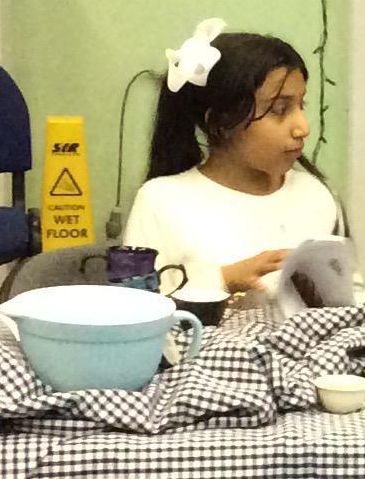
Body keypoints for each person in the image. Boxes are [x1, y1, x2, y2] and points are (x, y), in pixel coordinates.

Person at [122, 20, 346, 312]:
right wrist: (223, 280)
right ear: (222, 122)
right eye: (280, 109)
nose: (303, 127)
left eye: (301, 105)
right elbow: (135, 315)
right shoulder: (161, 201)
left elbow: (349, 304)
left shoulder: (315, 195)